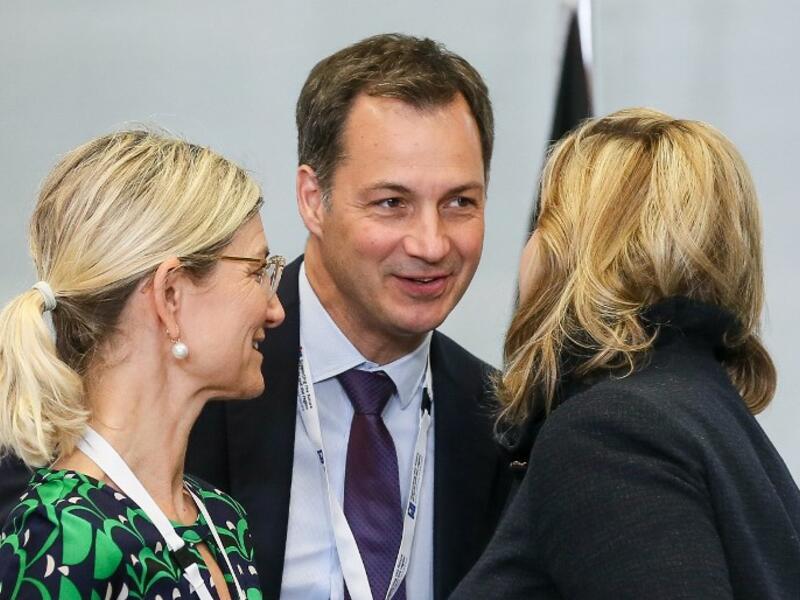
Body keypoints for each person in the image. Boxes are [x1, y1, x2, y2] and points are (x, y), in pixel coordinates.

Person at [185, 34, 510, 600]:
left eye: (460, 202)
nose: (432, 244)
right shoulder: (197, 386)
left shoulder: (505, 423)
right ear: (314, 198)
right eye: (392, 203)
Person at [451, 108, 800, 599]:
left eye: (544, 220)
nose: (528, 250)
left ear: (581, 248)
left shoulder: (610, 433)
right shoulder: (706, 415)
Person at [0, 131, 285, 598]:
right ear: (170, 296)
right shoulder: (64, 536)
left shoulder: (218, 516)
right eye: (257, 271)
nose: (276, 310)